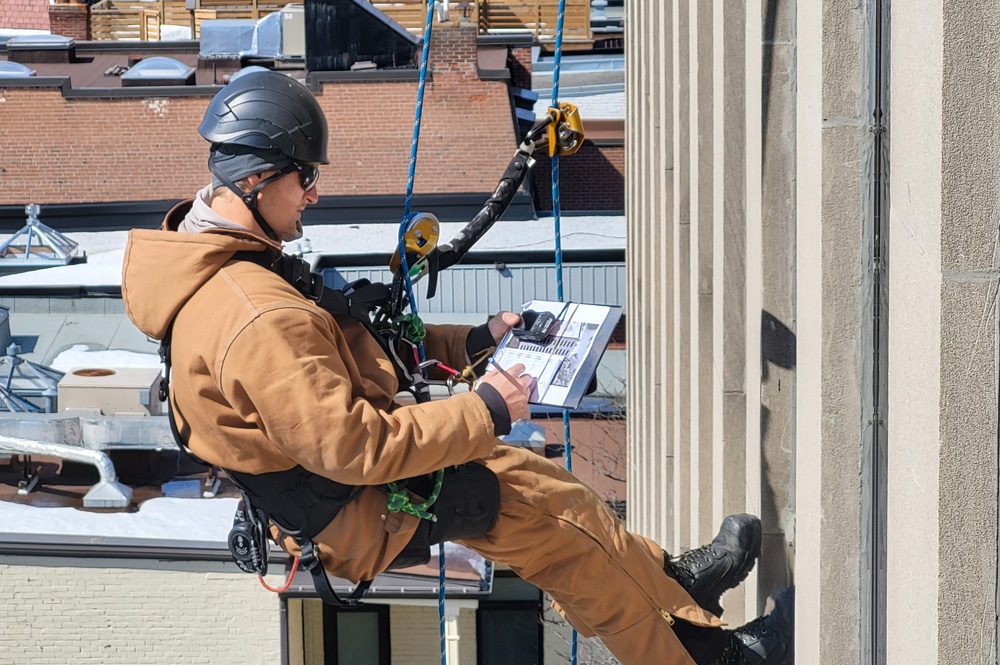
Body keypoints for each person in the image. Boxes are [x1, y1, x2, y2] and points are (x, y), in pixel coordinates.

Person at [121, 70, 793, 665]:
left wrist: (477, 338)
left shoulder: (233, 264)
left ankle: (675, 583)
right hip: (368, 502)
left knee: (554, 491)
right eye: (306, 177)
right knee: (558, 536)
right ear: (255, 180)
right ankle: (714, 655)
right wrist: (489, 408)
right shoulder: (253, 314)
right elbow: (356, 446)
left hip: (368, 478)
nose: (315, 195)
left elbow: (362, 350)